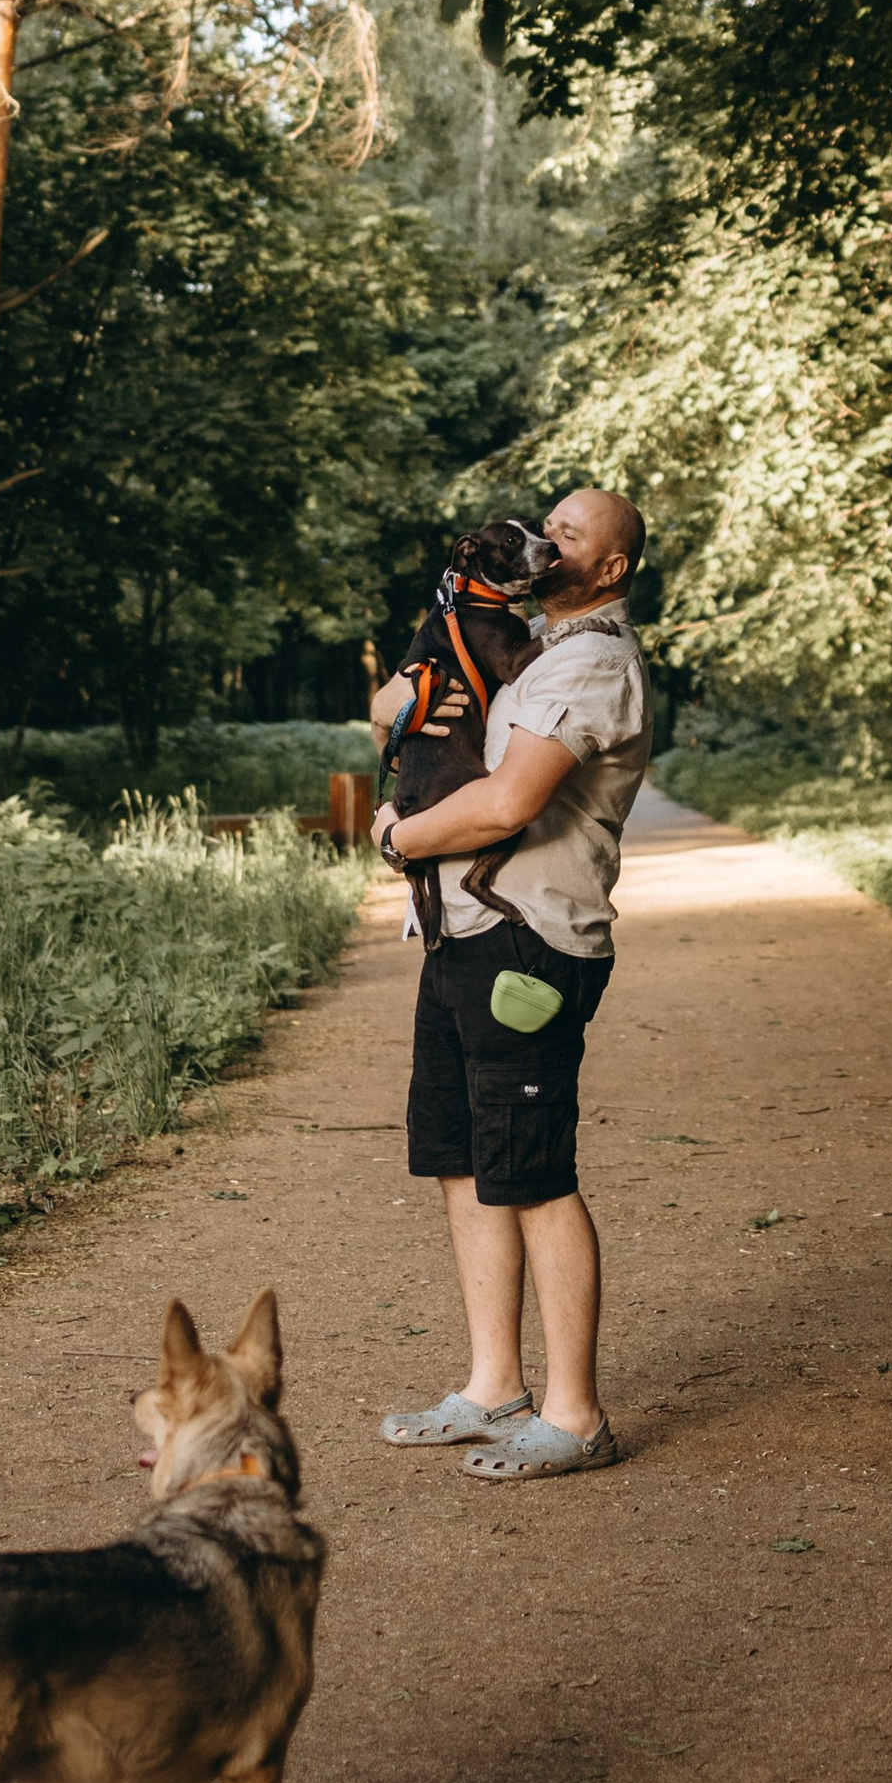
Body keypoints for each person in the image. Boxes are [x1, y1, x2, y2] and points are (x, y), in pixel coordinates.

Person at [367, 484, 649, 1480]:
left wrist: (395, 835)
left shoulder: (594, 663)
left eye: (569, 534)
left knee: (531, 1172)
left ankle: (575, 1416)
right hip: (459, 935)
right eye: (548, 529)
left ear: (609, 568)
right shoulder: (493, 635)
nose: (550, 543)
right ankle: (494, 1389)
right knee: (462, 1162)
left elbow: (510, 801)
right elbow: (388, 717)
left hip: (528, 945)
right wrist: (404, 696)